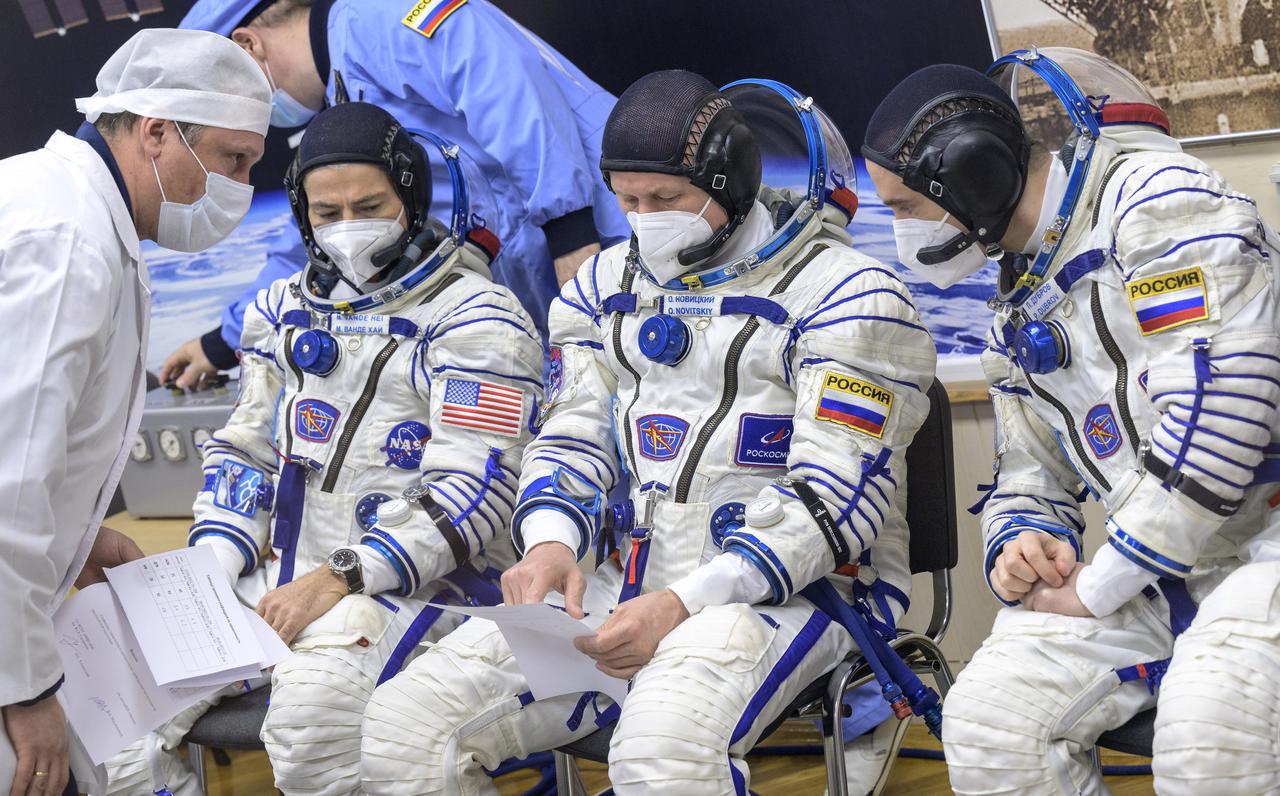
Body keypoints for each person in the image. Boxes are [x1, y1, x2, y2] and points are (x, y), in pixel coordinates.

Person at [357, 69, 938, 796]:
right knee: (407, 724)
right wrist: (550, 543)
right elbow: (568, 439)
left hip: (798, 593)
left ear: (731, 183)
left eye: (665, 199)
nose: (645, 219)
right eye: (628, 201)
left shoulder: (849, 295)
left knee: (663, 755)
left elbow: (834, 500)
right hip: (630, 583)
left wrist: (686, 600)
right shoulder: (602, 290)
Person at [860, 50, 1280, 794]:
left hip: (1263, 548)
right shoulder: (1017, 306)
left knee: (1210, 730)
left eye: (903, 208)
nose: (899, 232)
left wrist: (1102, 584)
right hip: (1162, 574)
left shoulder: (1159, 205)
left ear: (973, 175)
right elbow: (1028, 473)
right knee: (991, 719)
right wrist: (1022, 544)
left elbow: (1219, 418)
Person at [105, 100, 543, 796]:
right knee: (120, 713)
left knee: (310, 723)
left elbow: (474, 494)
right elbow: (245, 454)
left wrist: (342, 575)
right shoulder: (280, 311)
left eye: (369, 207)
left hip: (423, 584)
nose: (347, 227)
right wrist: (214, 565)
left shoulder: (477, 319)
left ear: (410, 200)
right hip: (286, 577)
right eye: (327, 212)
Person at [0, 28, 270, 796]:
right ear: (156, 131)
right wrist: (25, 689)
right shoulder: (68, 243)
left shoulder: (47, 197)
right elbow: (6, 488)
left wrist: (75, 534)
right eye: (233, 160)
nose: (241, 186)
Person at [160, 0, 630, 390]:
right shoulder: (344, 99)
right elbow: (312, 244)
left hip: (610, 238)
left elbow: (510, 91)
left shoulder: (382, 18)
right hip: (554, 283)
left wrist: (571, 234)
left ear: (248, 45)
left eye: (236, 97)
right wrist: (222, 341)